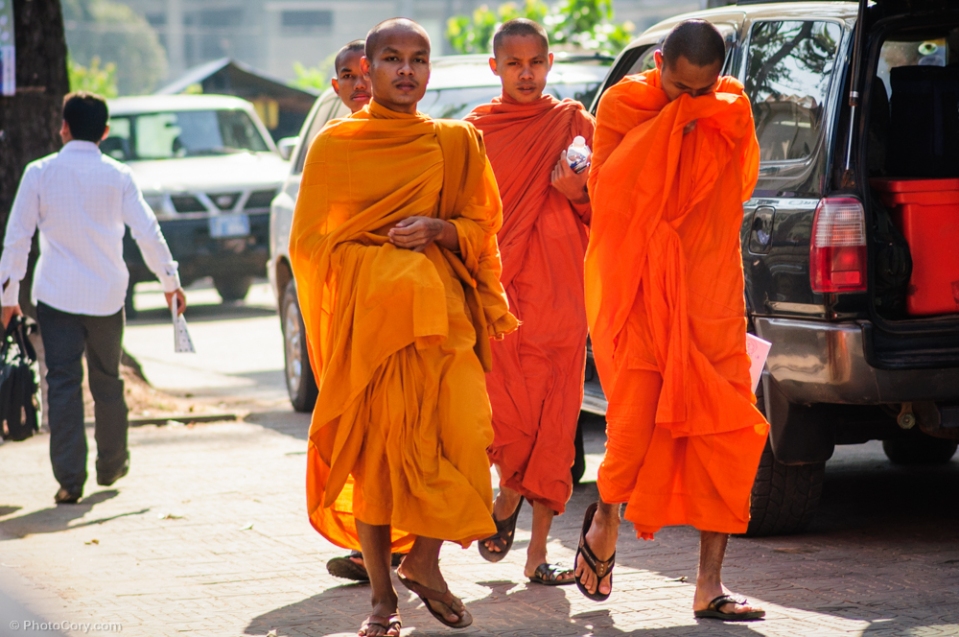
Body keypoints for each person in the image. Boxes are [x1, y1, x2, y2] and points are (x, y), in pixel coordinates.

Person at [289, 18, 516, 636]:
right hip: (376, 331)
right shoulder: (336, 146)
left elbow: (480, 226)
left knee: (470, 439)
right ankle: (382, 602)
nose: (406, 70)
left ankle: (424, 560)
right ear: (367, 69)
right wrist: (384, 262)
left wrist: (439, 231)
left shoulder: (455, 142)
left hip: (443, 327)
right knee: (378, 460)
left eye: (418, 59)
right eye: (392, 59)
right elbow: (309, 248)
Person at [573, 20, 768, 621]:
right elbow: (606, 189)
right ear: (659, 62)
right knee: (631, 425)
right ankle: (605, 516)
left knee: (726, 430)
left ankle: (710, 585)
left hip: (709, 289)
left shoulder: (729, 108)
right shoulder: (624, 103)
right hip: (637, 291)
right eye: (679, 86)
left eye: (701, 90)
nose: (691, 99)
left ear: (718, 77)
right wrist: (674, 124)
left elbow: (740, 183)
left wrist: (699, 116)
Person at [0, 92, 186, 505]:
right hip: (106, 296)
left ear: (63, 127)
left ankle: (69, 479)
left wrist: (8, 296)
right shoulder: (118, 175)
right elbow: (147, 232)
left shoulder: (39, 173)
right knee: (107, 379)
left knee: (62, 383)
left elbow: (18, 239)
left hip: (56, 297)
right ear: (104, 132)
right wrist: (169, 281)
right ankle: (112, 463)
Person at [464, 18, 592, 586]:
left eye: (535, 62)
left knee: (556, 421)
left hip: (563, 294)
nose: (526, 74)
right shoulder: (474, 132)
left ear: (549, 63)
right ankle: (507, 490)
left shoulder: (572, 123)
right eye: (513, 64)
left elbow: (608, 210)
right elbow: (464, 216)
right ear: (495, 68)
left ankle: (539, 553)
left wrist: (576, 194)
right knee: (506, 414)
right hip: (502, 297)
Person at [320, 36, 399, 584]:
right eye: (346, 76)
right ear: (336, 86)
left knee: (398, 434)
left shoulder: (410, 137)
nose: (358, 84)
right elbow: (316, 234)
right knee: (361, 435)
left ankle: (396, 545)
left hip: (401, 306)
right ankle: (368, 543)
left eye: (363, 73)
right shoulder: (332, 144)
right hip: (349, 303)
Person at [331, 39, 372, 113]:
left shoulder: (398, 124)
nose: (359, 85)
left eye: (368, 73)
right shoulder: (337, 125)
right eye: (348, 76)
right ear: (336, 87)